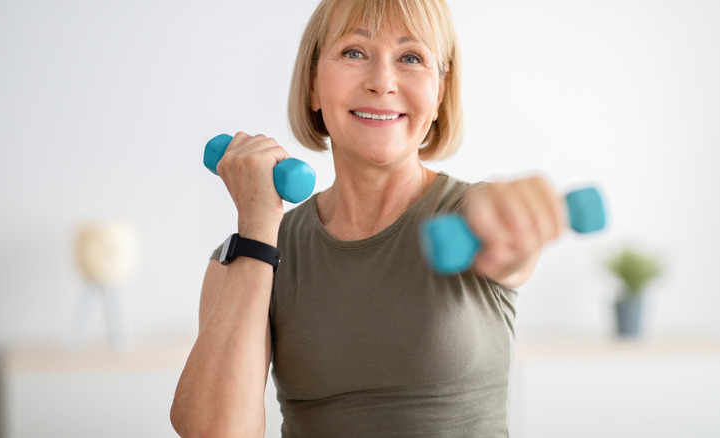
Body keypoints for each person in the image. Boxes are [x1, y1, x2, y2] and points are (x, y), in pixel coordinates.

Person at [171, 0, 564, 436]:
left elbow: (506, 241)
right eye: (354, 52)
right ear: (313, 86)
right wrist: (259, 226)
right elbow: (215, 432)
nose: (382, 82)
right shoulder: (251, 253)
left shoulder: (468, 217)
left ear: (439, 94)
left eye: (411, 57)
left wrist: (517, 221)